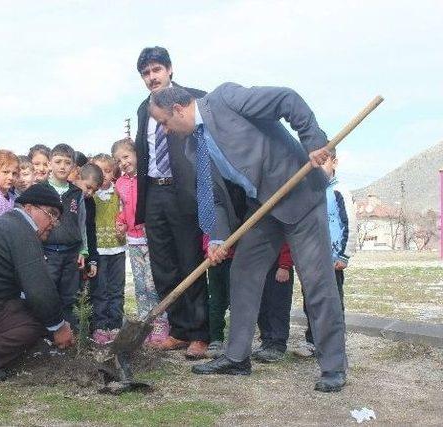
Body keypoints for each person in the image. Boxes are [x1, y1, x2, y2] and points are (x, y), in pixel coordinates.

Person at [149, 83, 348, 392]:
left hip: (298, 194)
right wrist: (217, 238)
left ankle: (333, 366)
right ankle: (237, 357)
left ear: (177, 109)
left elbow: (286, 99)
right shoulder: (194, 147)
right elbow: (211, 196)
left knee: (317, 281)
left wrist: (313, 140)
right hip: (264, 207)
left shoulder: (226, 99)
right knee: (243, 272)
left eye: (163, 121)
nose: (165, 130)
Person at [0, 184, 75, 382]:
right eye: (51, 214)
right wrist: (59, 327)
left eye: (57, 218)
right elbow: (40, 291)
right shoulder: (23, 231)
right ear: (28, 208)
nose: (54, 222)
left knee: (32, 310)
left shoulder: (4, 225)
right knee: (37, 323)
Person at [133, 46, 209, 359]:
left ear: (170, 70)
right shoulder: (142, 109)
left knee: (189, 260)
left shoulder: (194, 98)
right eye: (146, 73)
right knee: (163, 265)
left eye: (156, 70)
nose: (152, 77)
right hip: (153, 192)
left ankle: (200, 334)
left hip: (184, 192)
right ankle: (178, 330)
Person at [295, 149, 357, 357]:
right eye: (314, 163)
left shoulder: (339, 191)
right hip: (311, 260)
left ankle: (335, 343)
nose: (318, 167)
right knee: (310, 301)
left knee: (333, 303)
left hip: (332, 261)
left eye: (324, 162)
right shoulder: (307, 192)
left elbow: (350, 223)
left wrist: (344, 255)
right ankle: (313, 341)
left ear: (335, 162)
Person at [112, 138, 168, 344]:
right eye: (118, 161)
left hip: (150, 238)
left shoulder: (147, 179)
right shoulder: (119, 183)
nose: (123, 163)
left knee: (153, 282)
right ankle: (146, 325)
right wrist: (121, 222)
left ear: (137, 154)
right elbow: (123, 209)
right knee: (139, 284)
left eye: (126, 157)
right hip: (133, 240)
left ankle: (161, 321)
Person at [43, 144, 88, 327]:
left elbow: (82, 222)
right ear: (49, 164)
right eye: (58, 161)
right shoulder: (41, 189)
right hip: (48, 253)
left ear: (73, 167)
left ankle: (69, 330)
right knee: (48, 293)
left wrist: (83, 250)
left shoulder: (76, 193)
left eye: (67, 162)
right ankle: (48, 331)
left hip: (71, 253)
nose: (62, 166)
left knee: (70, 295)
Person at [89, 154, 126, 344]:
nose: (103, 175)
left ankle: (116, 324)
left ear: (114, 172)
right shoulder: (90, 195)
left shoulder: (118, 192)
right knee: (100, 290)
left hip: (118, 249)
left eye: (108, 170)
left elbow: (126, 214)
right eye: (99, 171)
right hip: (99, 251)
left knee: (116, 289)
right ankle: (100, 326)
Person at [253, 243, 295, 363]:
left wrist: (285, 265)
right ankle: (267, 340)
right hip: (262, 262)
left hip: (279, 264)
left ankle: (278, 344)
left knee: (278, 306)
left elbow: (287, 240)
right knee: (262, 305)